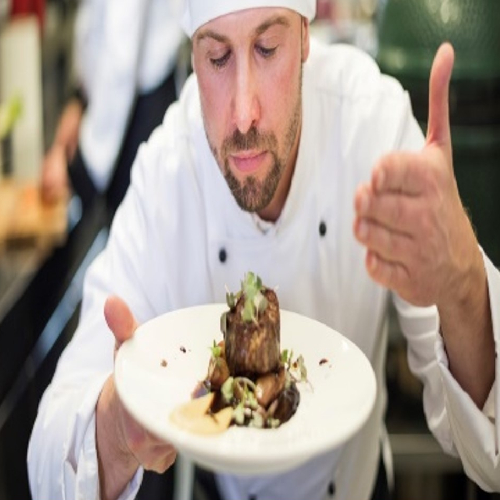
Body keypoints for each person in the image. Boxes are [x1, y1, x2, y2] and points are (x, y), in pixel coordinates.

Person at [28, 1, 500, 499]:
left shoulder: (370, 123)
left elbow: (490, 457)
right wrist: (116, 431)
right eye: (217, 58)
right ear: (193, 58)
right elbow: (46, 462)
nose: (243, 114)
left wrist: (463, 282)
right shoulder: (170, 170)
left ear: (305, 37)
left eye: (268, 49)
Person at [40, 0, 186, 213]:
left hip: (136, 115)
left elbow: (120, 62)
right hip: (122, 109)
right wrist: (79, 101)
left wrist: (80, 169)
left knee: (136, 215)